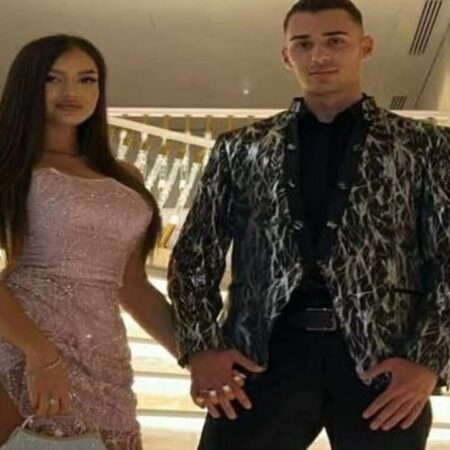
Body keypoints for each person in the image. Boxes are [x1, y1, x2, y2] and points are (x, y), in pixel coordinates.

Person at [168, 1, 450, 449]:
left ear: (365, 47)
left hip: (383, 363)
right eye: (303, 44)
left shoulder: (423, 146)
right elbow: (194, 256)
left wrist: (428, 361)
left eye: (335, 41)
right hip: (260, 359)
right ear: (287, 56)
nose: (319, 55)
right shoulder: (242, 148)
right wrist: (201, 348)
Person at [0, 34, 176, 450]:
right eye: (52, 78)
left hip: (105, 357)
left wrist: (196, 357)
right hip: (22, 346)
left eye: (87, 79)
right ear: (27, 84)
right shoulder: (9, 166)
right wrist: (40, 354)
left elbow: (133, 286)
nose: (71, 92)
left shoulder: (125, 176)